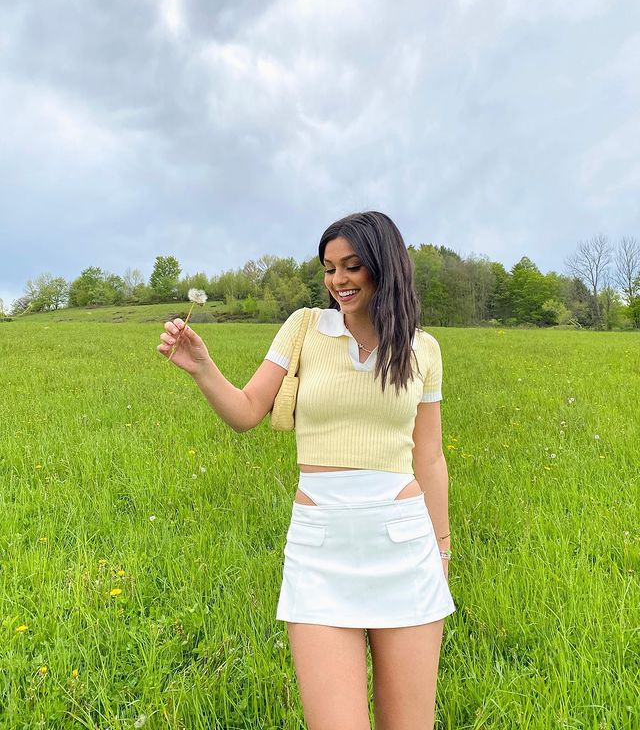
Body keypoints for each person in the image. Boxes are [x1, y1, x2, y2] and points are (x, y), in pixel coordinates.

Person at [157, 211, 456, 730]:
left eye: (352, 266)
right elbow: (249, 410)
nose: (338, 280)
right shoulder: (303, 328)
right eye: (329, 268)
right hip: (321, 549)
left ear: (384, 267)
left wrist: (442, 550)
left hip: (405, 548)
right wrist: (204, 369)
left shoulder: (422, 349)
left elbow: (429, 457)